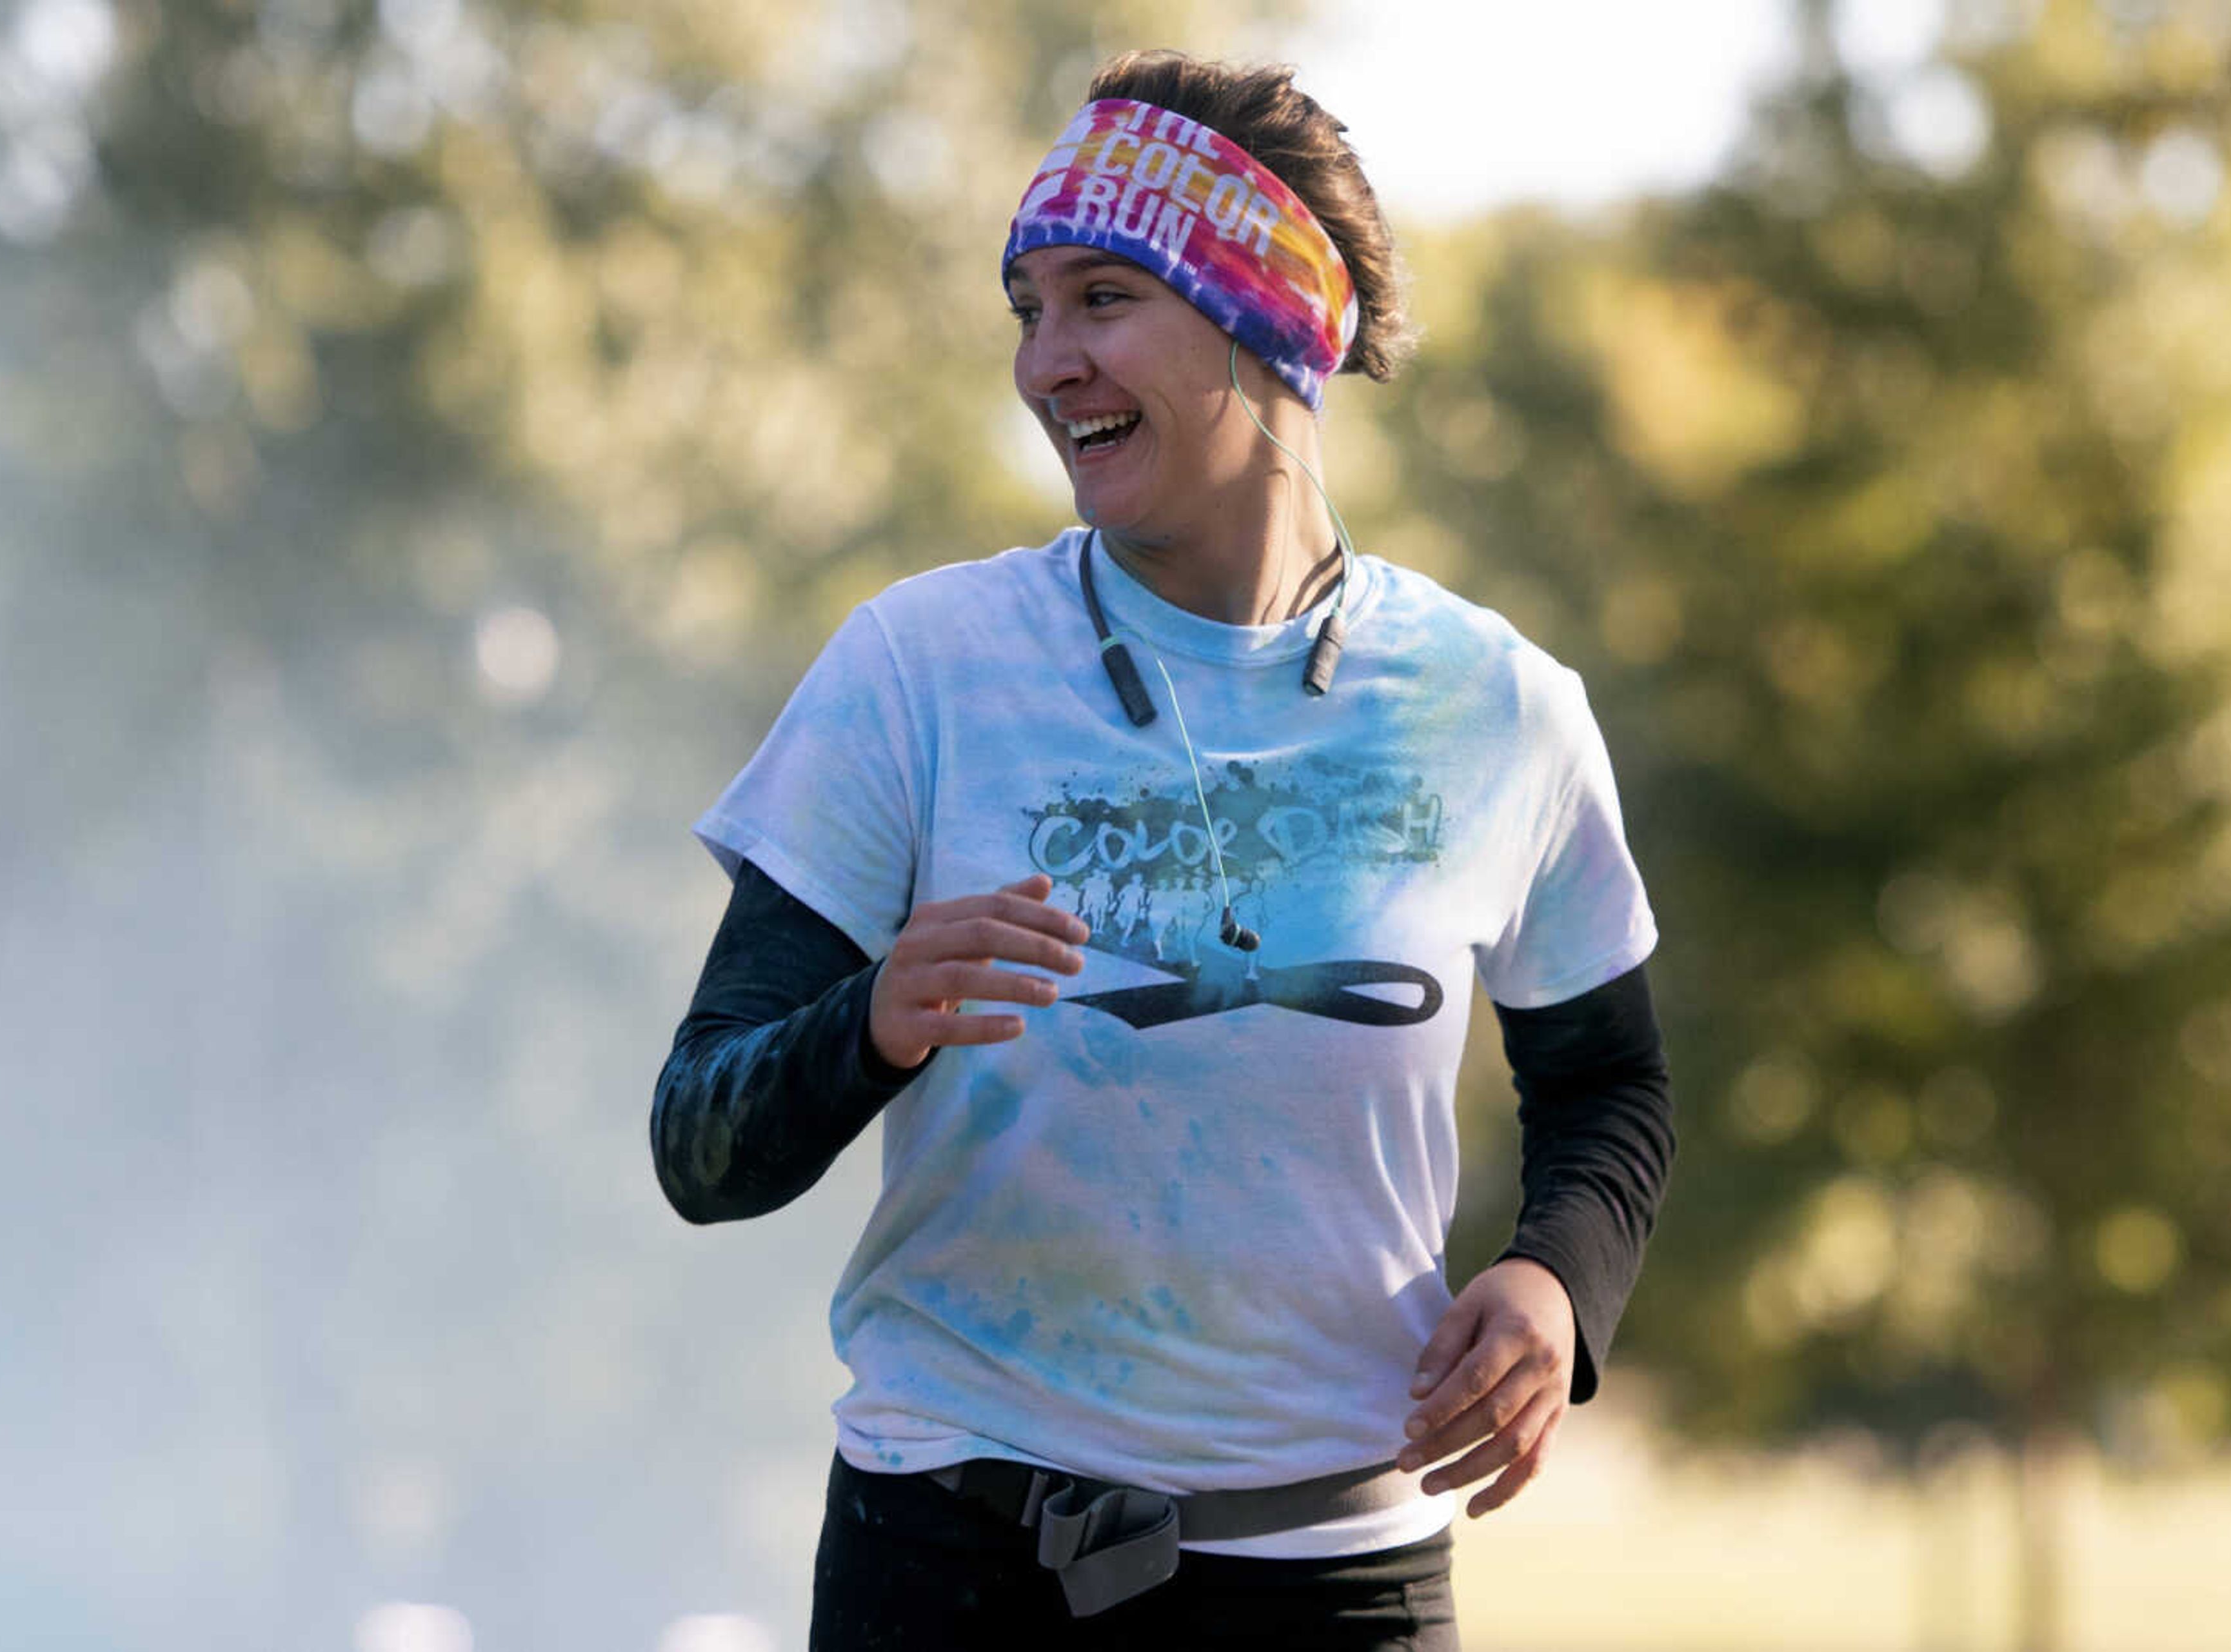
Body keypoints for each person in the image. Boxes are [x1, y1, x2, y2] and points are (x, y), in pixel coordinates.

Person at [652, 49, 1673, 1651]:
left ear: (1271, 317)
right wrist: (870, 1026)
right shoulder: (918, 671)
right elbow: (699, 1145)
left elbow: (1609, 1084)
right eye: (1027, 310)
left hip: (1344, 1584)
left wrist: (1558, 1285)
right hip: (956, 1565)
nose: (1046, 364)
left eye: (1103, 298)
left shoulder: (1501, 710)